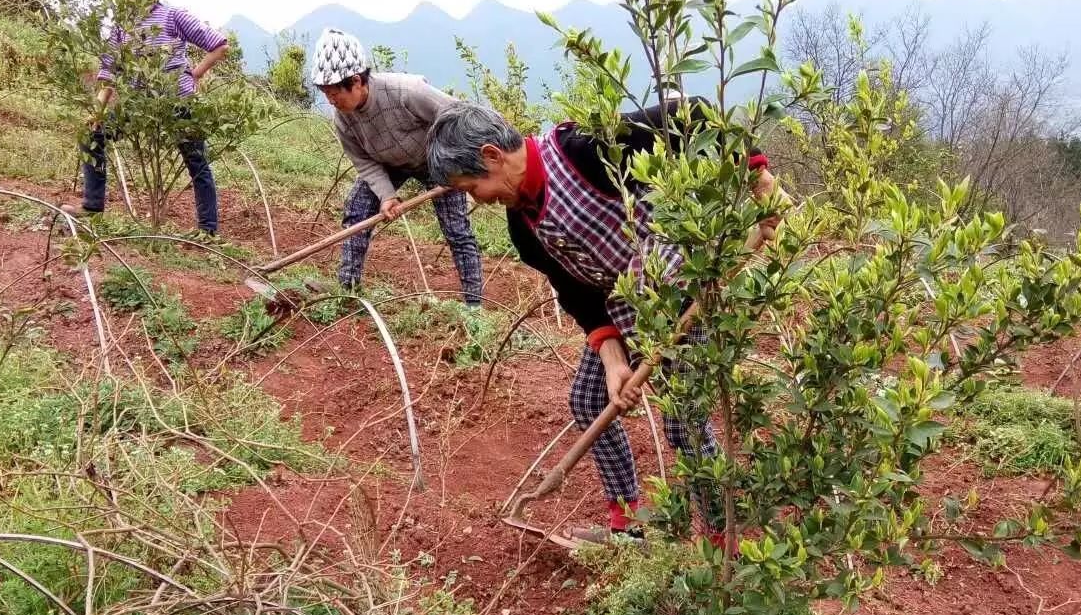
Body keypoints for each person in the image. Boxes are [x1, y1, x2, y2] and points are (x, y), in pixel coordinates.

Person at [425, 100, 777, 544]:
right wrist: (614, 361)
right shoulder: (523, 227)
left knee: (683, 418)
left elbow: (692, 114)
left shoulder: (585, 149)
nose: (478, 199)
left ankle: (723, 542)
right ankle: (628, 525)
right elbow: (575, 291)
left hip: (683, 288)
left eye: (472, 186)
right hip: (626, 306)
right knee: (590, 399)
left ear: (492, 156)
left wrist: (759, 178)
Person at [310, 29, 483, 305]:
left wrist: (460, 162)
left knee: (456, 229)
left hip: (436, 161)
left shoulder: (407, 91)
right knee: (356, 209)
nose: (331, 101)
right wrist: (387, 195)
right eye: (326, 94)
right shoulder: (343, 119)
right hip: (388, 164)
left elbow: (459, 116)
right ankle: (348, 290)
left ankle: (474, 305)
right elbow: (364, 162)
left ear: (356, 81)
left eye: (334, 93)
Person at [62, 0, 229, 235]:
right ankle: (92, 208)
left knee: (197, 163)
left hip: (177, 105)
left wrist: (194, 74)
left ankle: (207, 230)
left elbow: (219, 45)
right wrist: (98, 111)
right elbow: (109, 71)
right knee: (92, 135)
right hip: (139, 108)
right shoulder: (122, 26)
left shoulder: (173, 16)